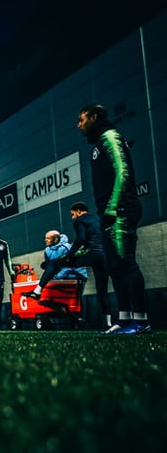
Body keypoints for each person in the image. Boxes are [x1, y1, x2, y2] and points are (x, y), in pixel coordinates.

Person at [77, 104, 149, 334]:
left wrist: (112, 208)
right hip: (107, 215)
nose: (79, 125)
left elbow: (123, 171)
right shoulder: (98, 144)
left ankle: (142, 321)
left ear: (94, 117)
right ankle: (125, 320)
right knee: (114, 267)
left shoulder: (111, 137)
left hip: (120, 211)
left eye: (82, 120)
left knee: (126, 264)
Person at [66, 201, 113, 331]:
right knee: (103, 289)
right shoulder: (97, 218)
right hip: (106, 255)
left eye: (73, 214)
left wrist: (69, 255)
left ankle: (40, 287)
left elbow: (80, 239)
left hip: (95, 254)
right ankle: (109, 323)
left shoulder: (79, 221)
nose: (72, 217)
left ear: (79, 211)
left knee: (66, 263)